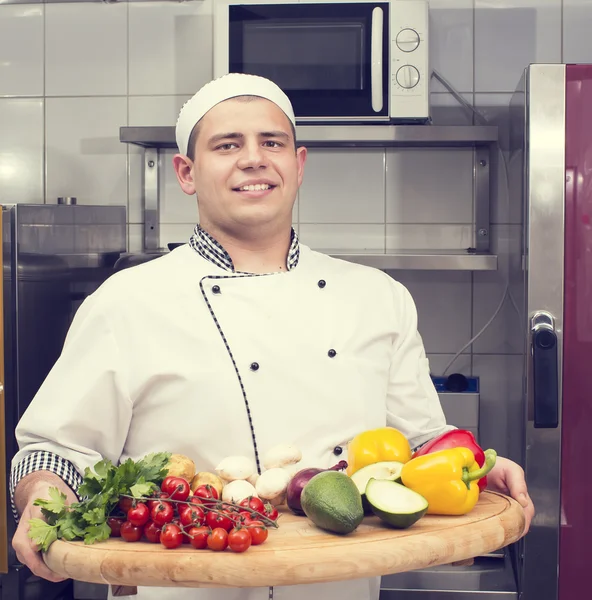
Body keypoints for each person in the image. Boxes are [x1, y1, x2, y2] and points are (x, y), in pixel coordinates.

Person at [10, 73, 535, 600]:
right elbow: (56, 448)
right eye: (227, 145)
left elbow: (420, 443)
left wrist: (477, 466)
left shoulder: (379, 297)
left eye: (271, 142)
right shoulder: (126, 302)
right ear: (186, 173)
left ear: (298, 164)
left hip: (339, 589)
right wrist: (44, 495)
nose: (254, 158)